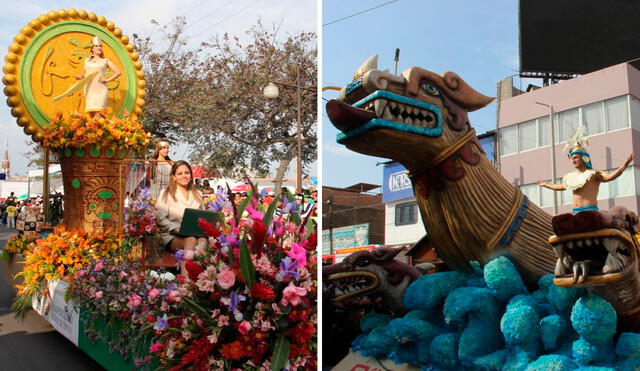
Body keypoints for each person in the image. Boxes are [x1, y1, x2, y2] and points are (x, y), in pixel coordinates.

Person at [538, 142, 634, 213]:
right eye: (572, 158)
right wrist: (546, 184)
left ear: (584, 158)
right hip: (575, 212)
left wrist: (624, 166)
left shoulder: (594, 173)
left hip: (590, 212)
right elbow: (560, 187)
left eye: (575, 157)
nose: (573, 160)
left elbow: (611, 177)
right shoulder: (571, 177)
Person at [155, 160, 207, 273]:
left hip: (194, 233)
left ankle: (201, 278)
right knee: (191, 240)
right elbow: (160, 218)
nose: (184, 176)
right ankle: (185, 279)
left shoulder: (198, 194)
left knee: (203, 241)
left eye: (186, 173)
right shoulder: (166, 193)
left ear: (191, 175)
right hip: (173, 235)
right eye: (180, 173)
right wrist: (174, 228)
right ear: (173, 177)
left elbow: (203, 216)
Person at [75, 36, 121, 117]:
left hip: (101, 89)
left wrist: (107, 80)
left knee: (98, 113)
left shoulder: (105, 61)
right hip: (89, 89)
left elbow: (118, 72)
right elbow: (83, 74)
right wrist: (80, 76)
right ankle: (98, 129)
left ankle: (104, 128)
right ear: (92, 49)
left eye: (100, 46)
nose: (99, 48)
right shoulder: (87, 61)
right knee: (92, 114)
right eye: (96, 46)